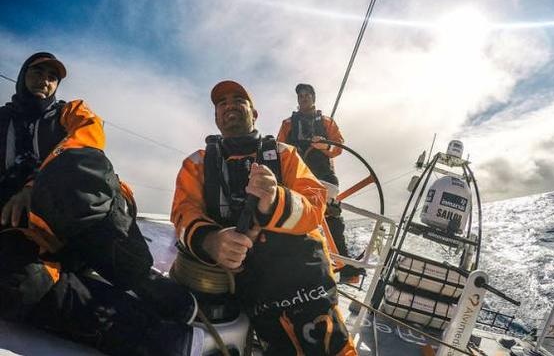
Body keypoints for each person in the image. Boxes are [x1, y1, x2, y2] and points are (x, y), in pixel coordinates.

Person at [0, 52, 203, 355]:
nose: (44, 80)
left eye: (52, 76)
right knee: (20, 284)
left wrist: (33, 186)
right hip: (33, 233)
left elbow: (87, 140)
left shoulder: (70, 111)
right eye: (37, 72)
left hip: (88, 214)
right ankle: (150, 335)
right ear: (22, 76)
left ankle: (144, 282)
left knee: (70, 172)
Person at [171, 80, 356, 356]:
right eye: (222, 103)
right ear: (216, 117)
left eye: (238, 100)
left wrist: (275, 200)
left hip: (301, 272)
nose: (229, 105)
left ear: (254, 114)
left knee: (330, 346)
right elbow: (184, 211)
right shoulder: (196, 164)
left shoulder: (286, 154)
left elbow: (315, 204)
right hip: (244, 280)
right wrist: (211, 241)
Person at [277, 83, 363, 282]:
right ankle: (293, 268)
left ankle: (346, 269)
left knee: (331, 218)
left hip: (324, 180)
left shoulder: (327, 122)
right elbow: (278, 148)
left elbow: (338, 146)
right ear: (298, 100)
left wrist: (325, 144)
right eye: (300, 96)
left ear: (313, 98)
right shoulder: (288, 124)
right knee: (292, 218)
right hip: (296, 179)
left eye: (307, 95)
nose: (304, 98)